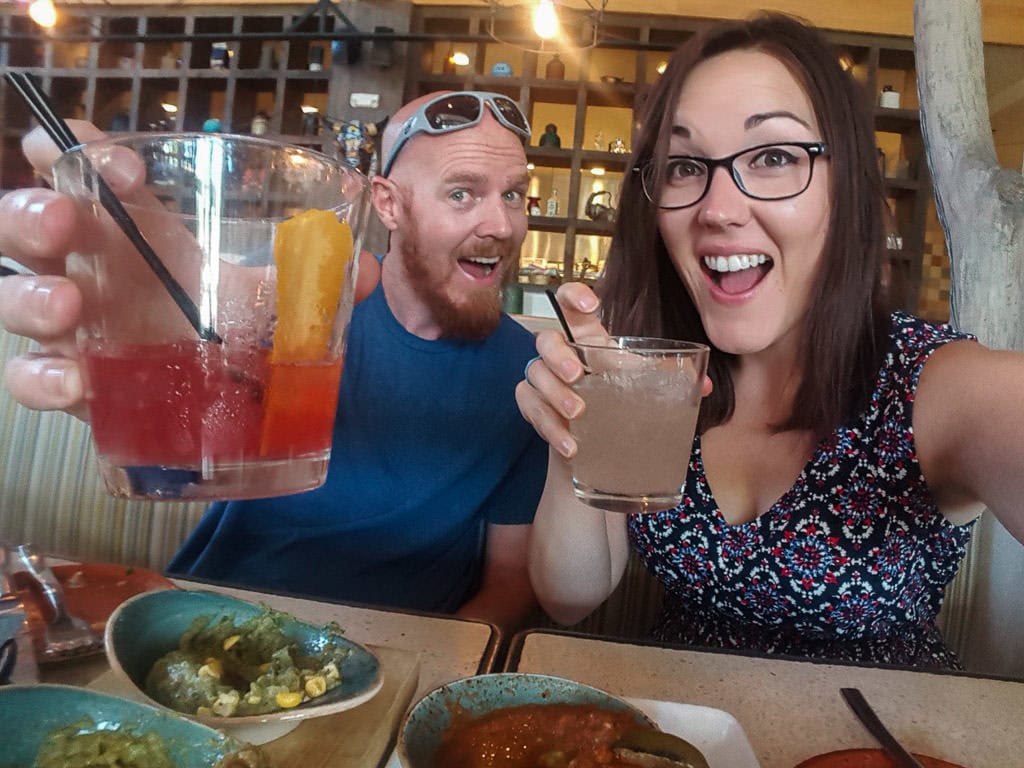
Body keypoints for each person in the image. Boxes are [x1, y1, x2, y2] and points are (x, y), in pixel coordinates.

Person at [517, 13, 1024, 669]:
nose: (718, 208)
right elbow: (570, 599)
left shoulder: (940, 385)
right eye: (685, 166)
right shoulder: (656, 375)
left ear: (847, 191)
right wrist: (574, 438)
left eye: (775, 157)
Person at [0, 91, 547, 631]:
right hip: (211, 619)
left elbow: (511, 580)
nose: (502, 225)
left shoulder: (532, 372)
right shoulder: (295, 300)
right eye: (461, 194)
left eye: (514, 195)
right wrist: (158, 357)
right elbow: (210, 333)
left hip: (400, 656)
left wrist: (422, 674)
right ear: (388, 204)